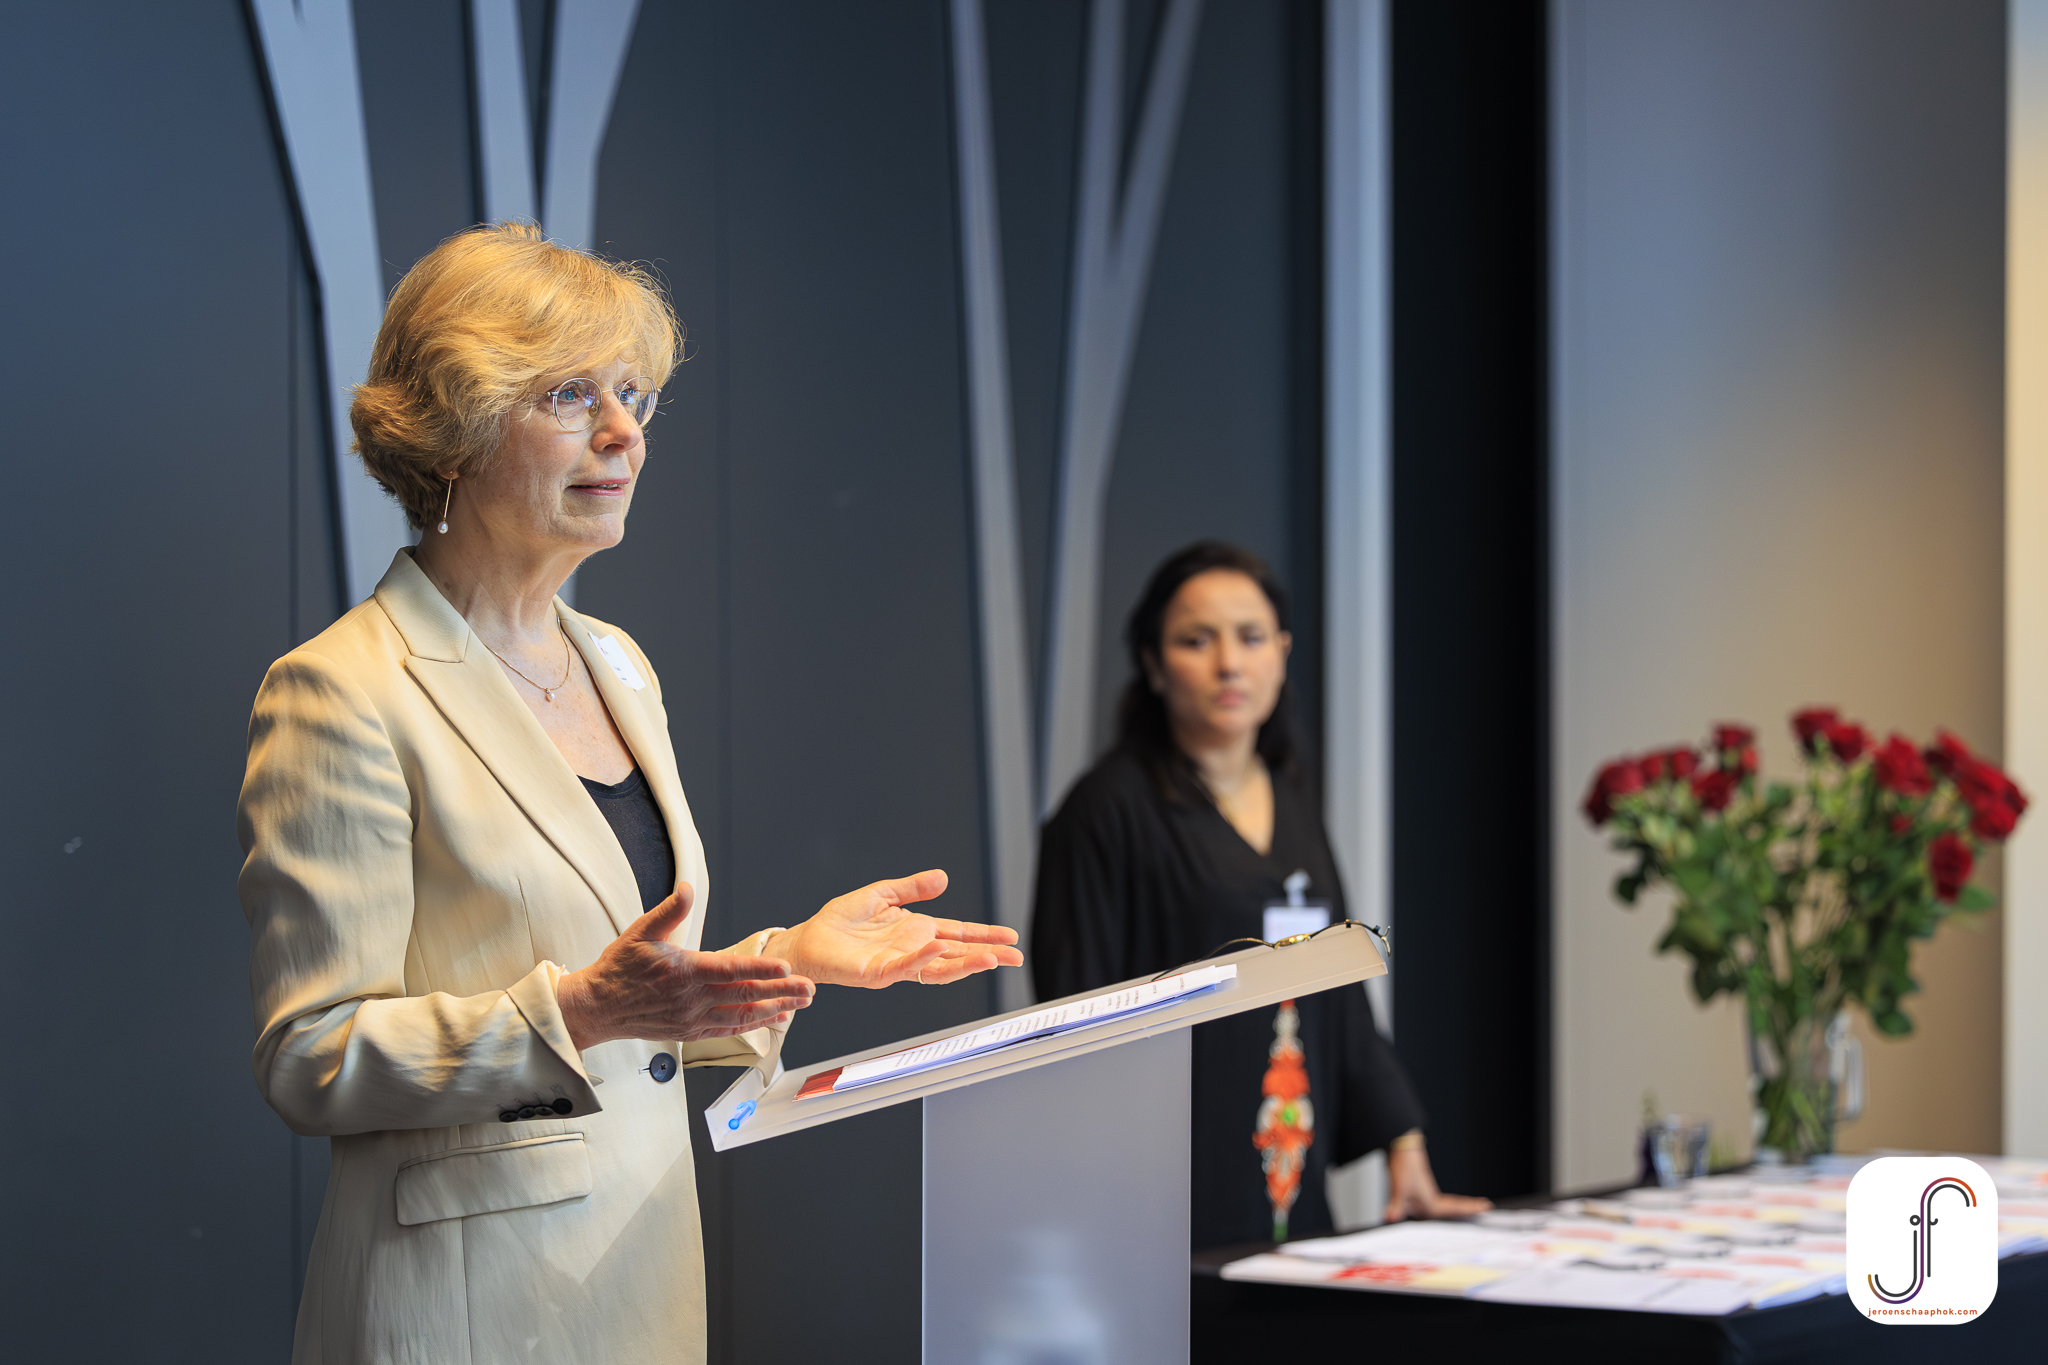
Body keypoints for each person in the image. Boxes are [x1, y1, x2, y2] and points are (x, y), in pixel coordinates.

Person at [237, 223, 1021, 1365]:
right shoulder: (341, 690)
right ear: (453, 427)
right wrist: (578, 1012)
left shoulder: (616, 663)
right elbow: (311, 1058)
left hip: (641, 1278)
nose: (623, 433)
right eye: (569, 395)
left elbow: (634, 1004)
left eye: (633, 395)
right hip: (464, 1309)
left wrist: (789, 958)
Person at [1031, 541, 1488, 1249]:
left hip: (1288, 1160)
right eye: (1196, 640)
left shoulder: (1292, 800)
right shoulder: (1105, 810)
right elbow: (1077, 1022)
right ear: (1153, 662)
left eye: (1251, 637)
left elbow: (1342, 988)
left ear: (1282, 651)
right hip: (1165, 1196)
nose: (1229, 664)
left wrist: (1404, 1141)